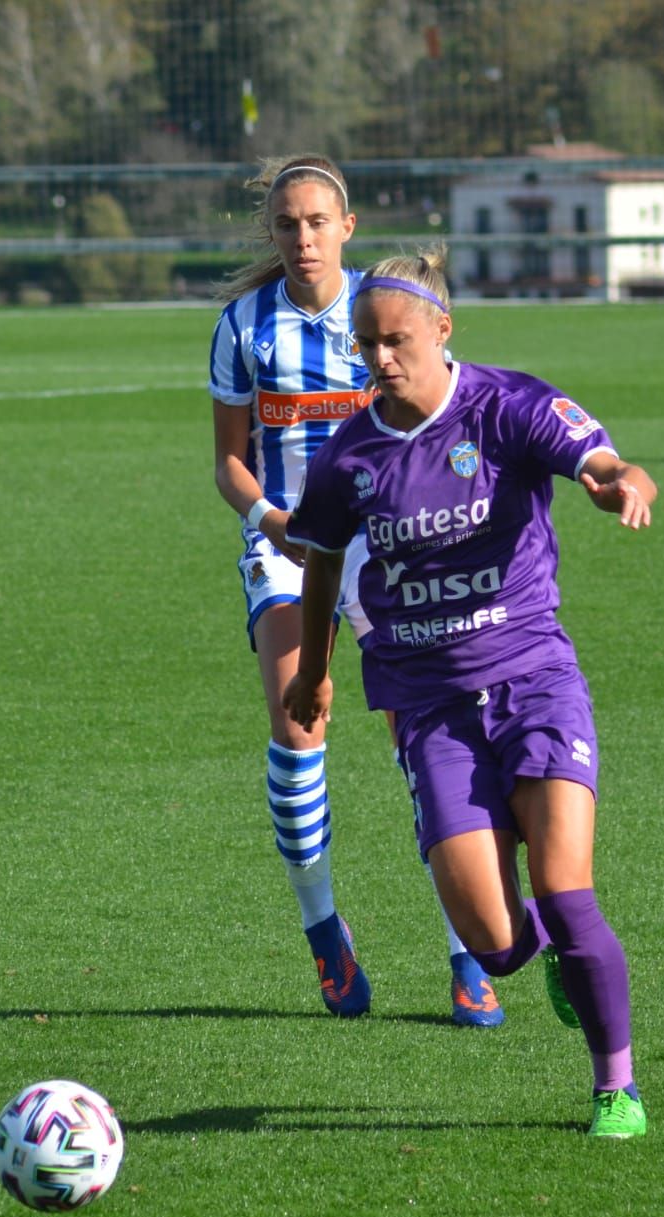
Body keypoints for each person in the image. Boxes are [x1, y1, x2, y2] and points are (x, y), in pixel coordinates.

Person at [281, 251, 659, 1136]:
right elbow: (324, 559)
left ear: (442, 330)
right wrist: (314, 666)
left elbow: (603, 461)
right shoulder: (350, 456)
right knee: (497, 943)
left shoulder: (507, 407)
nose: (381, 358)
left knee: (568, 890)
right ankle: (552, 955)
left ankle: (617, 1089)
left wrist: (620, 483)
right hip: (427, 706)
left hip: (533, 678)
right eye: (365, 342)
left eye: (397, 340)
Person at [212, 158, 509, 1027]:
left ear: (347, 226)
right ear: (273, 233)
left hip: (390, 550)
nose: (301, 238)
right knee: (300, 722)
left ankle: (468, 951)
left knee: (422, 739)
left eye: (316, 222)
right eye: (287, 224)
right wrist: (274, 523)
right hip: (289, 551)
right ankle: (324, 935)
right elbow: (230, 463)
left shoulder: (384, 312)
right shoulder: (243, 326)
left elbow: (441, 416)